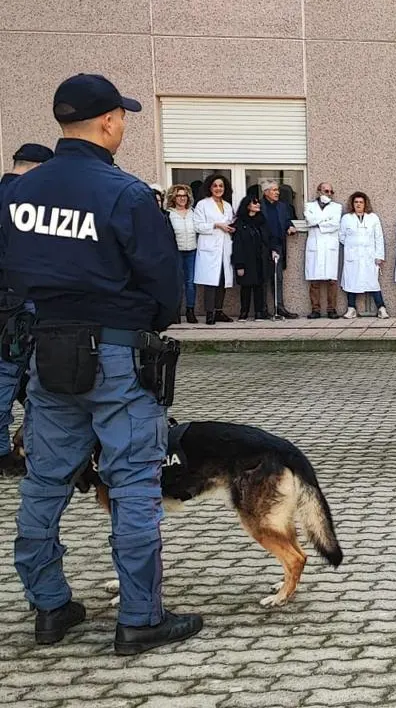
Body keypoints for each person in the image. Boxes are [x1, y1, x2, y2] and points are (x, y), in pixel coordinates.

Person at [0, 73, 201, 653]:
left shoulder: (17, 194)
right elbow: (165, 288)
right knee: (134, 484)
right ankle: (139, 618)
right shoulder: (126, 193)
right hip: (118, 355)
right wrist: (137, 322)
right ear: (109, 121)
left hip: (47, 353)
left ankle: (49, 607)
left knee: (44, 484)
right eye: (122, 118)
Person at [0, 143, 53, 478]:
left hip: (10, 304)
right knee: (29, 381)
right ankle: (22, 453)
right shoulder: (26, 202)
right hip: (21, 306)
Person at [192, 174, 235, 325]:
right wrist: (216, 225)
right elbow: (197, 226)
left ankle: (219, 311)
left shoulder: (227, 205)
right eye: (215, 186)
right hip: (209, 247)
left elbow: (230, 222)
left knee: (222, 280)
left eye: (221, 186)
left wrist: (231, 228)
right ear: (209, 188)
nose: (218, 188)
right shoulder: (202, 204)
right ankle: (209, 313)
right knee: (210, 282)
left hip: (224, 247)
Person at [338, 191, 388, 319]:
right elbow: (341, 236)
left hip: (369, 256)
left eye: (361, 202)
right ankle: (351, 308)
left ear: (365, 204)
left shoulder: (373, 218)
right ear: (352, 204)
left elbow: (379, 237)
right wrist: (353, 245)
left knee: (373, 282)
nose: (358, 204)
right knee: (351, 282)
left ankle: (381, 308)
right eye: (356, 202)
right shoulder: (346, 218)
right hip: (353, 256)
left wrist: (379, 256)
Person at [303, 183, 342, 319]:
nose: (329, 194)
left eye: (331, 191)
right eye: (326, 191)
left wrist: (317, 223)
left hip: (330, 246)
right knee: (314, 281)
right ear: (319, 191)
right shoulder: (309, 206)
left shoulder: (337, 207)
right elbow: (309, 220)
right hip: (315, 244)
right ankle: (315, 310)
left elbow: (335, 224)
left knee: (332, 280)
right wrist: (325, 220)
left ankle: (331, 309)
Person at [260, 180, 299, 320]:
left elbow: (287, 220)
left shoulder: (283, 206)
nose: (277, 193)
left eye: (277, 190)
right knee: (263, 278)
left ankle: (279, 307)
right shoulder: (259, 206)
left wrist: (290, 227)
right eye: (274, 190)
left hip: (278, 246)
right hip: (263, 247)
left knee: (278, 278)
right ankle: (262, 309)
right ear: (266, 192)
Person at [231, 195, 271, 321]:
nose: (258, 205)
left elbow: (267, 239)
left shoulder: (262, 221)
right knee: (246, 287)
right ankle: (244, 312)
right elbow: (237, 245)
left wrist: (272, 251)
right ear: (247, 206)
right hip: (246, 260)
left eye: (258, 203)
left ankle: (259, 312)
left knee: (259, 286)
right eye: (254, 203)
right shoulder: (240, 223)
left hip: (260, 259)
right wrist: (239, 264)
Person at [164, 185, 199, 324]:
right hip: (176, 251)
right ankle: (176, 312)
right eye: (179, 196)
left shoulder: (193, 212)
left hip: (192, 250)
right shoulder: (169, 214)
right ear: (173, 197)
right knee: (177, 282)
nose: (182, 198)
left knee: (190, 282)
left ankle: (190, 311)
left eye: (184, 195)